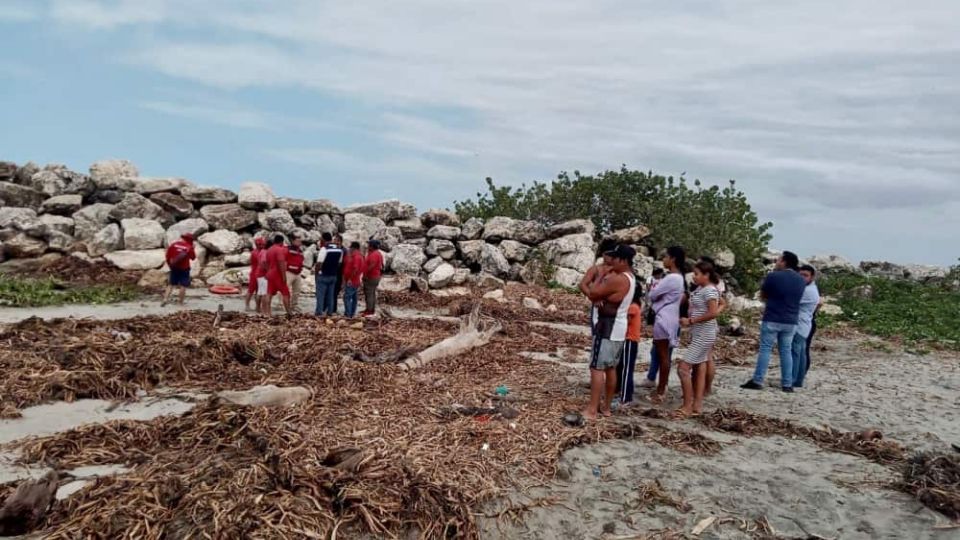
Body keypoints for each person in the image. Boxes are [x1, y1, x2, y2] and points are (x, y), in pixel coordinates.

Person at [583, 245, 636, 420]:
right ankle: (606, 408)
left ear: (623, 260)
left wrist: (602, 276)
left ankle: (592, 410)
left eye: (615, 259)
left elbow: (593, 293)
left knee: (597, 368)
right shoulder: (631, 278)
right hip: (618, 328)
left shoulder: (618, 279)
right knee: (610, 367)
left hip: (607, 327)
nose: (612, 262)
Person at [741, 251, 807, 392]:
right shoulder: (801, 280)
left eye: (778, 260)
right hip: (791, 320)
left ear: (784, 262)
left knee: (765, 349)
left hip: (773, 317)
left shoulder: (773, 276)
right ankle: (787, 383)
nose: (776, 262)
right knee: (786, 351)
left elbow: (763, 294)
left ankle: (758, 380)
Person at [677, 261, 721, 417]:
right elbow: (719, 305)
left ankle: (687, 405)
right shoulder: (703, 289)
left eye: (696, 274)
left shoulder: (709, 290)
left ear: (706, 275)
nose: (694, 277)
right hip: (700, 332)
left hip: (704, 334)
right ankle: (697, 404)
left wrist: (691, 321)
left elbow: (713, 312)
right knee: (700, 365)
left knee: (683, 368)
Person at [647, 246, 686, 403]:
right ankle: (662, 387)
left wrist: (653, 291)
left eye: (666, 257)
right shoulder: (680, 278)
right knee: (664, 354)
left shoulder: (672, 278)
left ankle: (661, 390)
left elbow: (653, 294)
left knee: (663, 355)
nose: (664, 260)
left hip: (664, 317)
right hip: (672, 316)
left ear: (673, 259)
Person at [697, 256, 728, 396]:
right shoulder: (711, 285)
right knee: (705, 357)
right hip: (704, 324)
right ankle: (703, 388)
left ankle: (706, 388)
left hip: (706, 326)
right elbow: (722, 303)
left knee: (706, 358)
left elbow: (720, 303)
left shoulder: (711, 287)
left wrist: (711, 314)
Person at [615, 283, 644, 407]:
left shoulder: (632, 307)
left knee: (626, 369)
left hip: (629, 340)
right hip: (630, 340)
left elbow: (625, 322)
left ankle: (625, 398)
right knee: (624, 367)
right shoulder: (635, 306)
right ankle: (626, 393)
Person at [793, 265, 821, 388]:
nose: (802, 278)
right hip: (805, 323)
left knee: (799, 352)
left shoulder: (808, 291)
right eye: (800, 275)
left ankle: (796, 379)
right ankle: (798, 379)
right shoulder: (808, 288)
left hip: (802, 324)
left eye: (805, 275)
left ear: (812, 277)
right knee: (802, 352)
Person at [640, 267, 666, 389]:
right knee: (657, 352)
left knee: (661, 353)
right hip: (661, 322)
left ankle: (661, 384)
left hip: (664, 324)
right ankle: (655, 380)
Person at [161, 232, 196, 306]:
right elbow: (193, 258)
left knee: (171, 284)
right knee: (183, 285)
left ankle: (165, 299)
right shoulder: (189, 247)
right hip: (184, 268)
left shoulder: (174, 244)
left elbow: (167, 256)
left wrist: (170, 266)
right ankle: (180, 303)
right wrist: (193, 248)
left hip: (174, 267)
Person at [313, 233, 343, 316]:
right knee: (331, 295)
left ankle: (319, 312)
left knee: (321, 295)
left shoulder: (324, 249)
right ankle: (330, 312)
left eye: (321, 239)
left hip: (323, 275)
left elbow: (319, 263)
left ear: (323, 239)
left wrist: (316, 275)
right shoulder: (339, 249)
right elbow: (339, 263)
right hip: (333, 275)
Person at [263, 234, 292, 316]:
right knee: (286, 293)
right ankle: (288, 312)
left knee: (269, 293)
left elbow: (266, 263)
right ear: (281, 242)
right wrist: (284, 276)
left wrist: (268, 271)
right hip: (277, 274)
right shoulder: (279, 250)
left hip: (270, 273)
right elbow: (281, 263)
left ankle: (268, 313)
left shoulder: (269, 250)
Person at [362, 240, 384, 316]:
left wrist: (365, 274)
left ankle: (369, 310)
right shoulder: (377, 253)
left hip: (371, 276)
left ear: (372, 246)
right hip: (375, 276)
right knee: (371, 293)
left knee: (369, 293)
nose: (368, 246)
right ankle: (370, 308)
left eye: (369, 245)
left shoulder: (374, 254)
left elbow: (372, 265)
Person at [342, 241, 365, 318]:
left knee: (347, 297)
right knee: (354, 297)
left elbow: (355, 269)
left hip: (352, 281)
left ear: (354, 248)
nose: (350, 249)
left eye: (351, 248)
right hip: (355, 280)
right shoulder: (358, 256)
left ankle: (348, 314)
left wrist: (350, 279)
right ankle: (351, 313)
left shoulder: (357, 257)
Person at [244, 237, 266, 311]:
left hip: (258, 273)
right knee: (251, 290)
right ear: (256, 245)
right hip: (254, 273)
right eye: (260, 244)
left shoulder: (259, 252)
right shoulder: (255, 252)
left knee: (258, 291)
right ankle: (247, 305)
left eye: (262, 244)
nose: (262, 246)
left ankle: (257, 307)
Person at [285, 235, 305, 313]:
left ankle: (294, 305)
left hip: (298, 273)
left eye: (300, 241)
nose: (300, 243)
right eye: (298, 241)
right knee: (285, 289)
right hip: (289, 272)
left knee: (297, 290)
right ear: (292, 241)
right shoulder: (287, 249)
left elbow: (301, 260)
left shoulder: (300, 251)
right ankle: (282, 305)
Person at [256, 239, 272, 313]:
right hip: (263, 274)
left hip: (259, 273)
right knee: (264, 293)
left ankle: (258, 308)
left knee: (260, 292)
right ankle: (264, 310)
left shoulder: (262, 251)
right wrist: (268, 270)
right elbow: (264, 262)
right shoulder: (265, 252)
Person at [333, 234, 345, 314]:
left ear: (340, 241)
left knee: (335, 292)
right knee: (333, 292)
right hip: (335, 274)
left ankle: (333, 309)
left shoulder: (343, 251)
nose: (334, 242)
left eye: (336, 240)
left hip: (339, 275)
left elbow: (342, 264)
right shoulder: (335, 249)